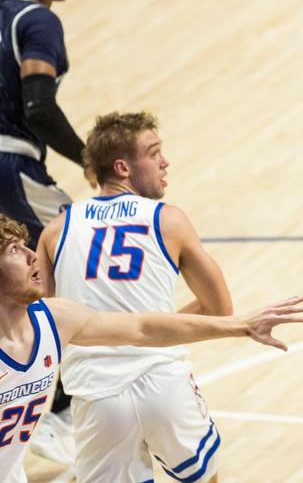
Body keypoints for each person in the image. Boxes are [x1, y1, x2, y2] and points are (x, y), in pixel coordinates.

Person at [0, 213, 303, 483]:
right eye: (14, 249)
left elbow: (142, 328)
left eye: (27, 245)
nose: (32, 256)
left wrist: (241, 325)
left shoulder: (54, 319)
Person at [36, 111, 239, 483]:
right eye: (154, 152)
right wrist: (154, 327)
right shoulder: (168, 219)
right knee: (203, 477)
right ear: (123, 167)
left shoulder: (55, 230)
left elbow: (43, 325)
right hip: (162, 380)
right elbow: (221, 309)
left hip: (94, 392)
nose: (165, 162)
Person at [1, 0, 89, 467]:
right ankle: (53, 405)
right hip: (11, 164)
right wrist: (89, 160)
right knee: (78, 246)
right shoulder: (36, 20)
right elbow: (38, 104)